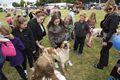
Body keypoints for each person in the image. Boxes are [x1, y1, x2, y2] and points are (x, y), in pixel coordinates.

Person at [93, 0, 119, 70]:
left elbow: (112, 30)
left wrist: (106, 40)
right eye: (107, 9)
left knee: (103, 51)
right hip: (107, 35)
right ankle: (105, 63)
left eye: (110, 8)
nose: (108, 10)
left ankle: (100, 66)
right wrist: (102, 33)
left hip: (110, 37)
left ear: (114, 7)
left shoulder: (115, 16)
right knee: (106, 51)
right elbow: (105, 25)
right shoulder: (108, 14)